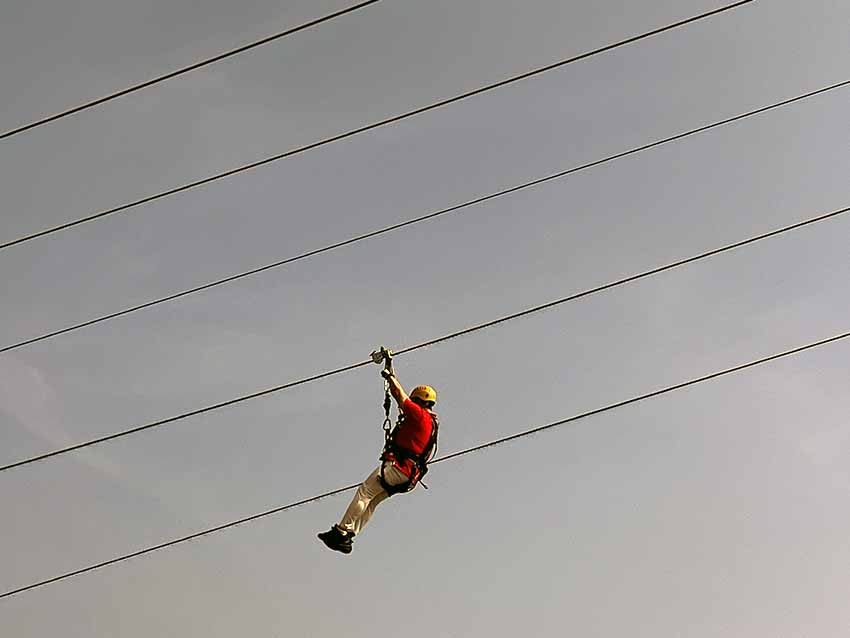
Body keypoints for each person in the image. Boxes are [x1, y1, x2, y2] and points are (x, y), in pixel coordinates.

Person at [317, 368, 439, 554]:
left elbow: (400, 396)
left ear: (419, 401)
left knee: (365, 492)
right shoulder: (430, 423)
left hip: (398, 467)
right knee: (372, 501)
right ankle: (350, 534)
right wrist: (391, 369)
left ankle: (341, 532)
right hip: (409, 476)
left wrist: (389, 377)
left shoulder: (419, 415)